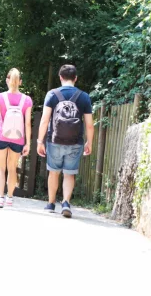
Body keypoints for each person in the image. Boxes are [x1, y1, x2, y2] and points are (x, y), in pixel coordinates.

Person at [37, 64, 95, 218]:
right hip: (75, 142)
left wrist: (39, 141)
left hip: (54, 140)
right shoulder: (84, 97)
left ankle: (50, 203)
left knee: (54, 172)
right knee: (69, 174)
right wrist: (89, 142)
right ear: (75, 78)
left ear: (60, 77)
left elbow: (44, 120)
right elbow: (89, 124)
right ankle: (66, 202)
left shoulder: (52, 94)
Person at [0, 68, 32, 208]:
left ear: (7, 80)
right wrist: (27, 143)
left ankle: (0, 198)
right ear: (20, 82)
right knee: (12, 168)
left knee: (0, 168)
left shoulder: (0, 97)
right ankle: (10, 198)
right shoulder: (27, 100)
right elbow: (27, 123)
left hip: (1, 135)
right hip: (18, 139)